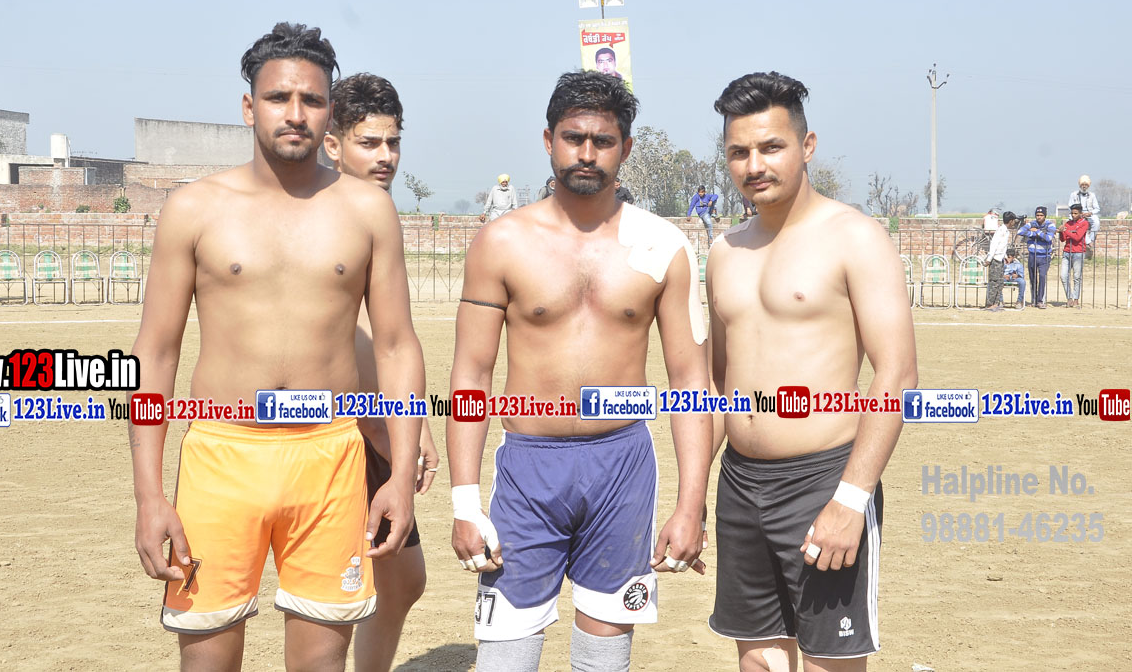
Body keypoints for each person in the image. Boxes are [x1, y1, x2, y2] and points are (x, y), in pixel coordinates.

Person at [129, 23, 424, 672]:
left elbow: (398, 346)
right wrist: (149, 494)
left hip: (330, 458)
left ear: (329, 111)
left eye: (311, 99)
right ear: (249, 106)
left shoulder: (367, 210)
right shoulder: (194, 208)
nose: (295, 113)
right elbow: (155, 353)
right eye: (278, 97)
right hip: (221, 456)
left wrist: (400, 476)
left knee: (321, 662)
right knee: (207, 661)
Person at [448, 71, 711, 672]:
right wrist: (465, 501)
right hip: (528, 470)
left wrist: (691, 504)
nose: (587, 153)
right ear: (549, 140)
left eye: (603, 140)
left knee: (604, 658)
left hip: (622, 468)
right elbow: (471, 374)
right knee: (505, 658)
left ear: (626, 148)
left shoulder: (664, 245)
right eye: (573, 138)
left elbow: (691, 382)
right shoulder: (501, 242)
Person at [706, 71, 917, 671]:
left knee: (830, 662)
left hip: (824, 479)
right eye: (739, 152)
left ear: (807, 145)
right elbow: (716, 385)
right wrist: (689, 497)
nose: (754, 165)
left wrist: (851, 498)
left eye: (771, 147)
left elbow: (897, 374)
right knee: (758, 661)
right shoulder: (724, 252)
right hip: (740, 484)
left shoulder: (855, 237)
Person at [323, 72, 438, 672]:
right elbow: (331, 336)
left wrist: (411, 421)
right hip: (334, 430)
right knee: (340, 591)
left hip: (377, 417)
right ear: (333, 144)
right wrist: (382, 428)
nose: (386, 156)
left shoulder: (376, 211)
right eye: (369, 142)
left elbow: (386, 337)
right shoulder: (324, 212)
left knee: (401, 578)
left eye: (393, 142)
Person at [1017, 207, 1055, 309]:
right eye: (1037, 215)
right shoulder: (1031, 224)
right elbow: (1020, 231)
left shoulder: (1050, 225)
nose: (1039, 217)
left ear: (1045, 216)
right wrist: (1035, 233)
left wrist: (1037, 232)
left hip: (1044, 257)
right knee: (1032, 279)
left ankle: (1040, 300)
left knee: (1042, 277)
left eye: (1041, 215)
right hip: (1032, 255)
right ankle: (1033, 300)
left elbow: (1048, 238)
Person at [983, 211, 1018, 312]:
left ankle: (996, 303)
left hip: (1001, 259)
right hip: (995, 260)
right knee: (994, 282)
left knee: (1000, 282)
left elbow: (1002, 246)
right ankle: (990, 304)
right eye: (1013, 221)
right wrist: (989, 259)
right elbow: (994, 245)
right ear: (1011, 221)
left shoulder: (1006, 231)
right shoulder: (1000, 231)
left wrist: (1005, 256)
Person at [1058, 203, 1088, 307]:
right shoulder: (1068, 223)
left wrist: (1066, 231)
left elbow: (1077, 237)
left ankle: (1076, 298)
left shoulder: (1084, 223)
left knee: (1077, 277)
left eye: (1075, 213)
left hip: (1078, 252)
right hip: (1067, 251)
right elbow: (1063, 239)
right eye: (1072, 213)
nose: (1073, 215)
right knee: (1063, 276)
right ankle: (1069, 297)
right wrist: (1061, 232)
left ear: (1080, 213)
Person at [1068, 175, 1100, 256]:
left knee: (1096, 222)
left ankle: (1091, 240)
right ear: (1080, 185)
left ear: (1088, 186)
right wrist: (1079, 213)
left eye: (1086, 185)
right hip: (1077, 214)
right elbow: (1070, 206)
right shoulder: (1074, 194)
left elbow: (1097, 208)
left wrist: (1090, 213)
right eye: (1083, 184)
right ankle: (1088, 242)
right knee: (1079, 226)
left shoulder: (1092, 195)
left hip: (1089, 214)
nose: (1084, 186)